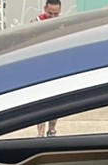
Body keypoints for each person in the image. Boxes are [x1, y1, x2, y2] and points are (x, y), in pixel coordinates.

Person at [32, 0, 61, 137]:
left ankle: (52, 130)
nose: (53, 17)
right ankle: (40, 133)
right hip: (40, 69)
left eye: (56, 14)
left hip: (55, 67)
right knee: (41, 102)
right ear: (44, 9)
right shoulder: (36, 24)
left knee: (55, 101)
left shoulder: (62, 25)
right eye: (50, 13)